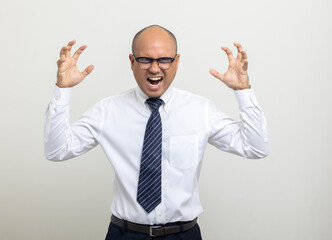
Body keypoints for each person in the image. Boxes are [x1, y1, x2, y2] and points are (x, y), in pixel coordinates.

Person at [44, 25, 269, 240]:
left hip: (184, 235)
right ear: (132, 61)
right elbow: (57, 150)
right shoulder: (107, 111)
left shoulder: (200, 110)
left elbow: (255, 148)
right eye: (145, 59)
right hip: (125, 235)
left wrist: (243, 91)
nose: (154, 68)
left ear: (177, 61)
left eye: (164, 59)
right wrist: (62, 90)